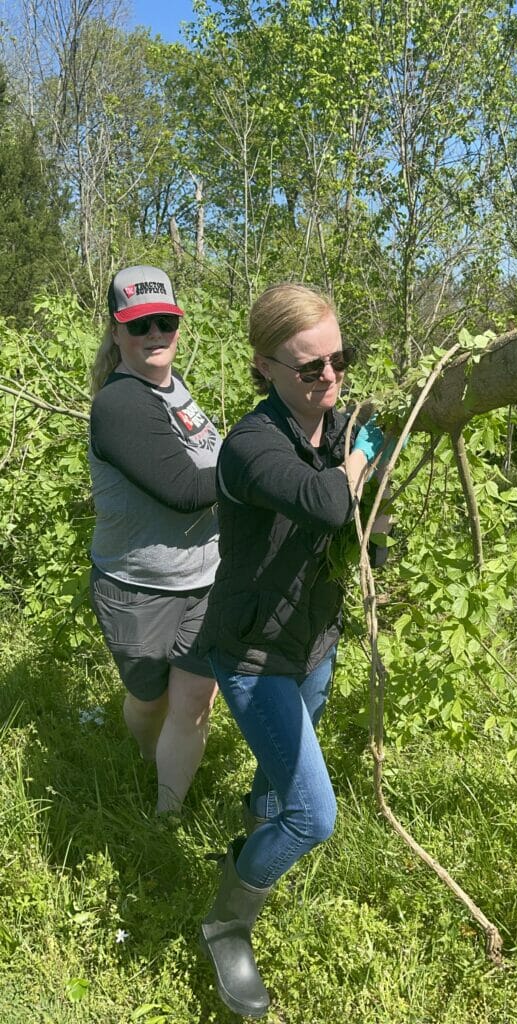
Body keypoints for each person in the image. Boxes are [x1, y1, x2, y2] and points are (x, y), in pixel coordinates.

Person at [196, 282, 387, 1017]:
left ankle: (253, 828)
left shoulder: (334, 427)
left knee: (278, 790)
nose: (329, 378)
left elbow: (362, 513)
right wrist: (357, 464)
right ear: (264, 366)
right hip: (251, 654)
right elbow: (326, 504)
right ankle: (225, 924)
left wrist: (363, 455)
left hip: (312, 641)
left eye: (340, 359)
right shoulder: (250, 444)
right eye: (310, 368)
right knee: (313, 816)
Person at [88, 264, 221, 816]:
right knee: (151, 703)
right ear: (116, 331)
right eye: (140, 325)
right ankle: (147, 757)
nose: (155, 335)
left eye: (165, 321)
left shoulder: (175, 386)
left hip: (207, 579)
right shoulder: (119, 404)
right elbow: (186, 490)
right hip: (139, 587)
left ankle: (167, 816)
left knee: (192, 702)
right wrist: (264, 464)